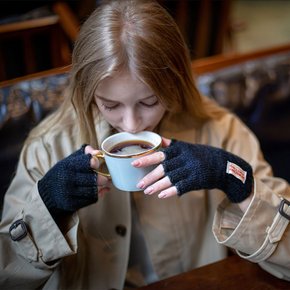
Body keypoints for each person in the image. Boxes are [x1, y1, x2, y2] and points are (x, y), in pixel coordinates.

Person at [1, 0, 290, 289]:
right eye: (110, 105)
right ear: (88, 92)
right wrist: (49, 207)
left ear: (175, 84)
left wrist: (234, 179)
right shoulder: (49, 145)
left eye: (149, 101)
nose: (131, 125)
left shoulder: (220, 130)